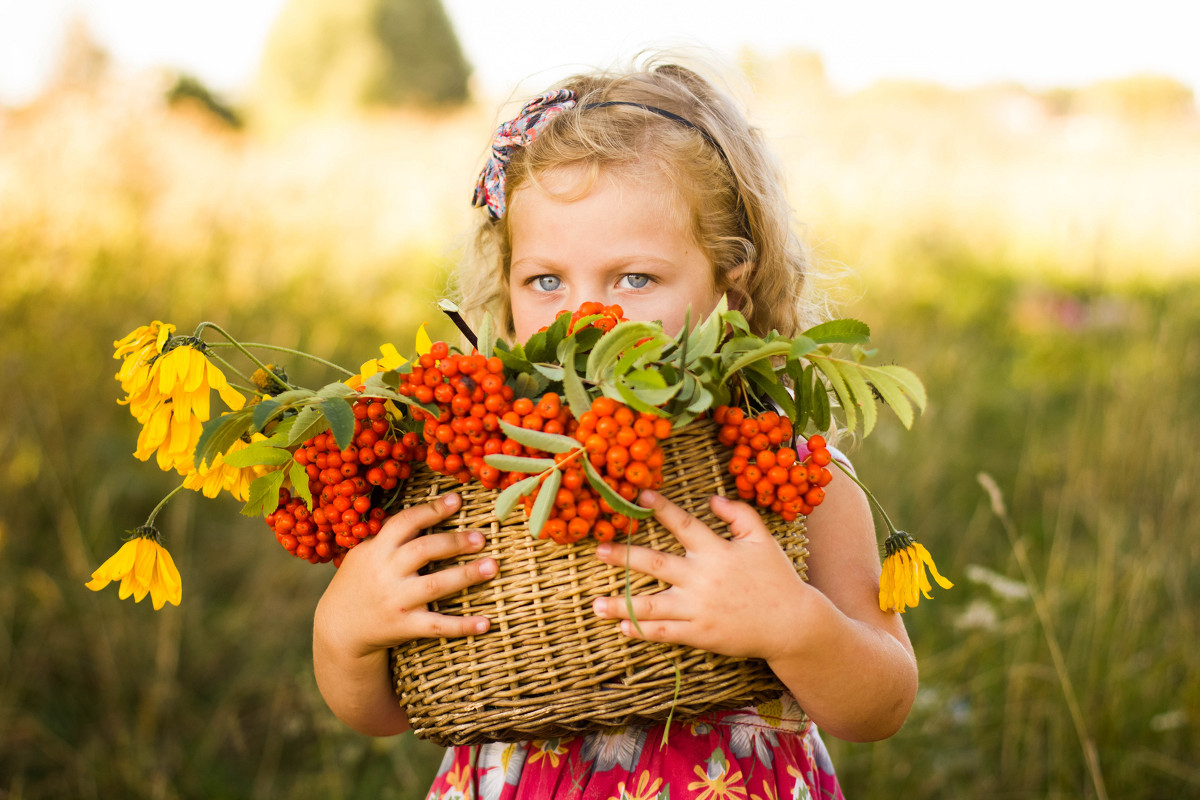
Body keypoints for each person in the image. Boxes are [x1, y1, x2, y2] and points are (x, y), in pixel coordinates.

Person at [313, 52, 917, 799]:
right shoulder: (483, 466)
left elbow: (884, 702)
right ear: (505, 287)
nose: (584, 317)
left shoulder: (781, 472)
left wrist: (793, 626)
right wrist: (347, 629)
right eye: (545, 280)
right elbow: (382, 713)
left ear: (731, 278)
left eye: (635, 278)